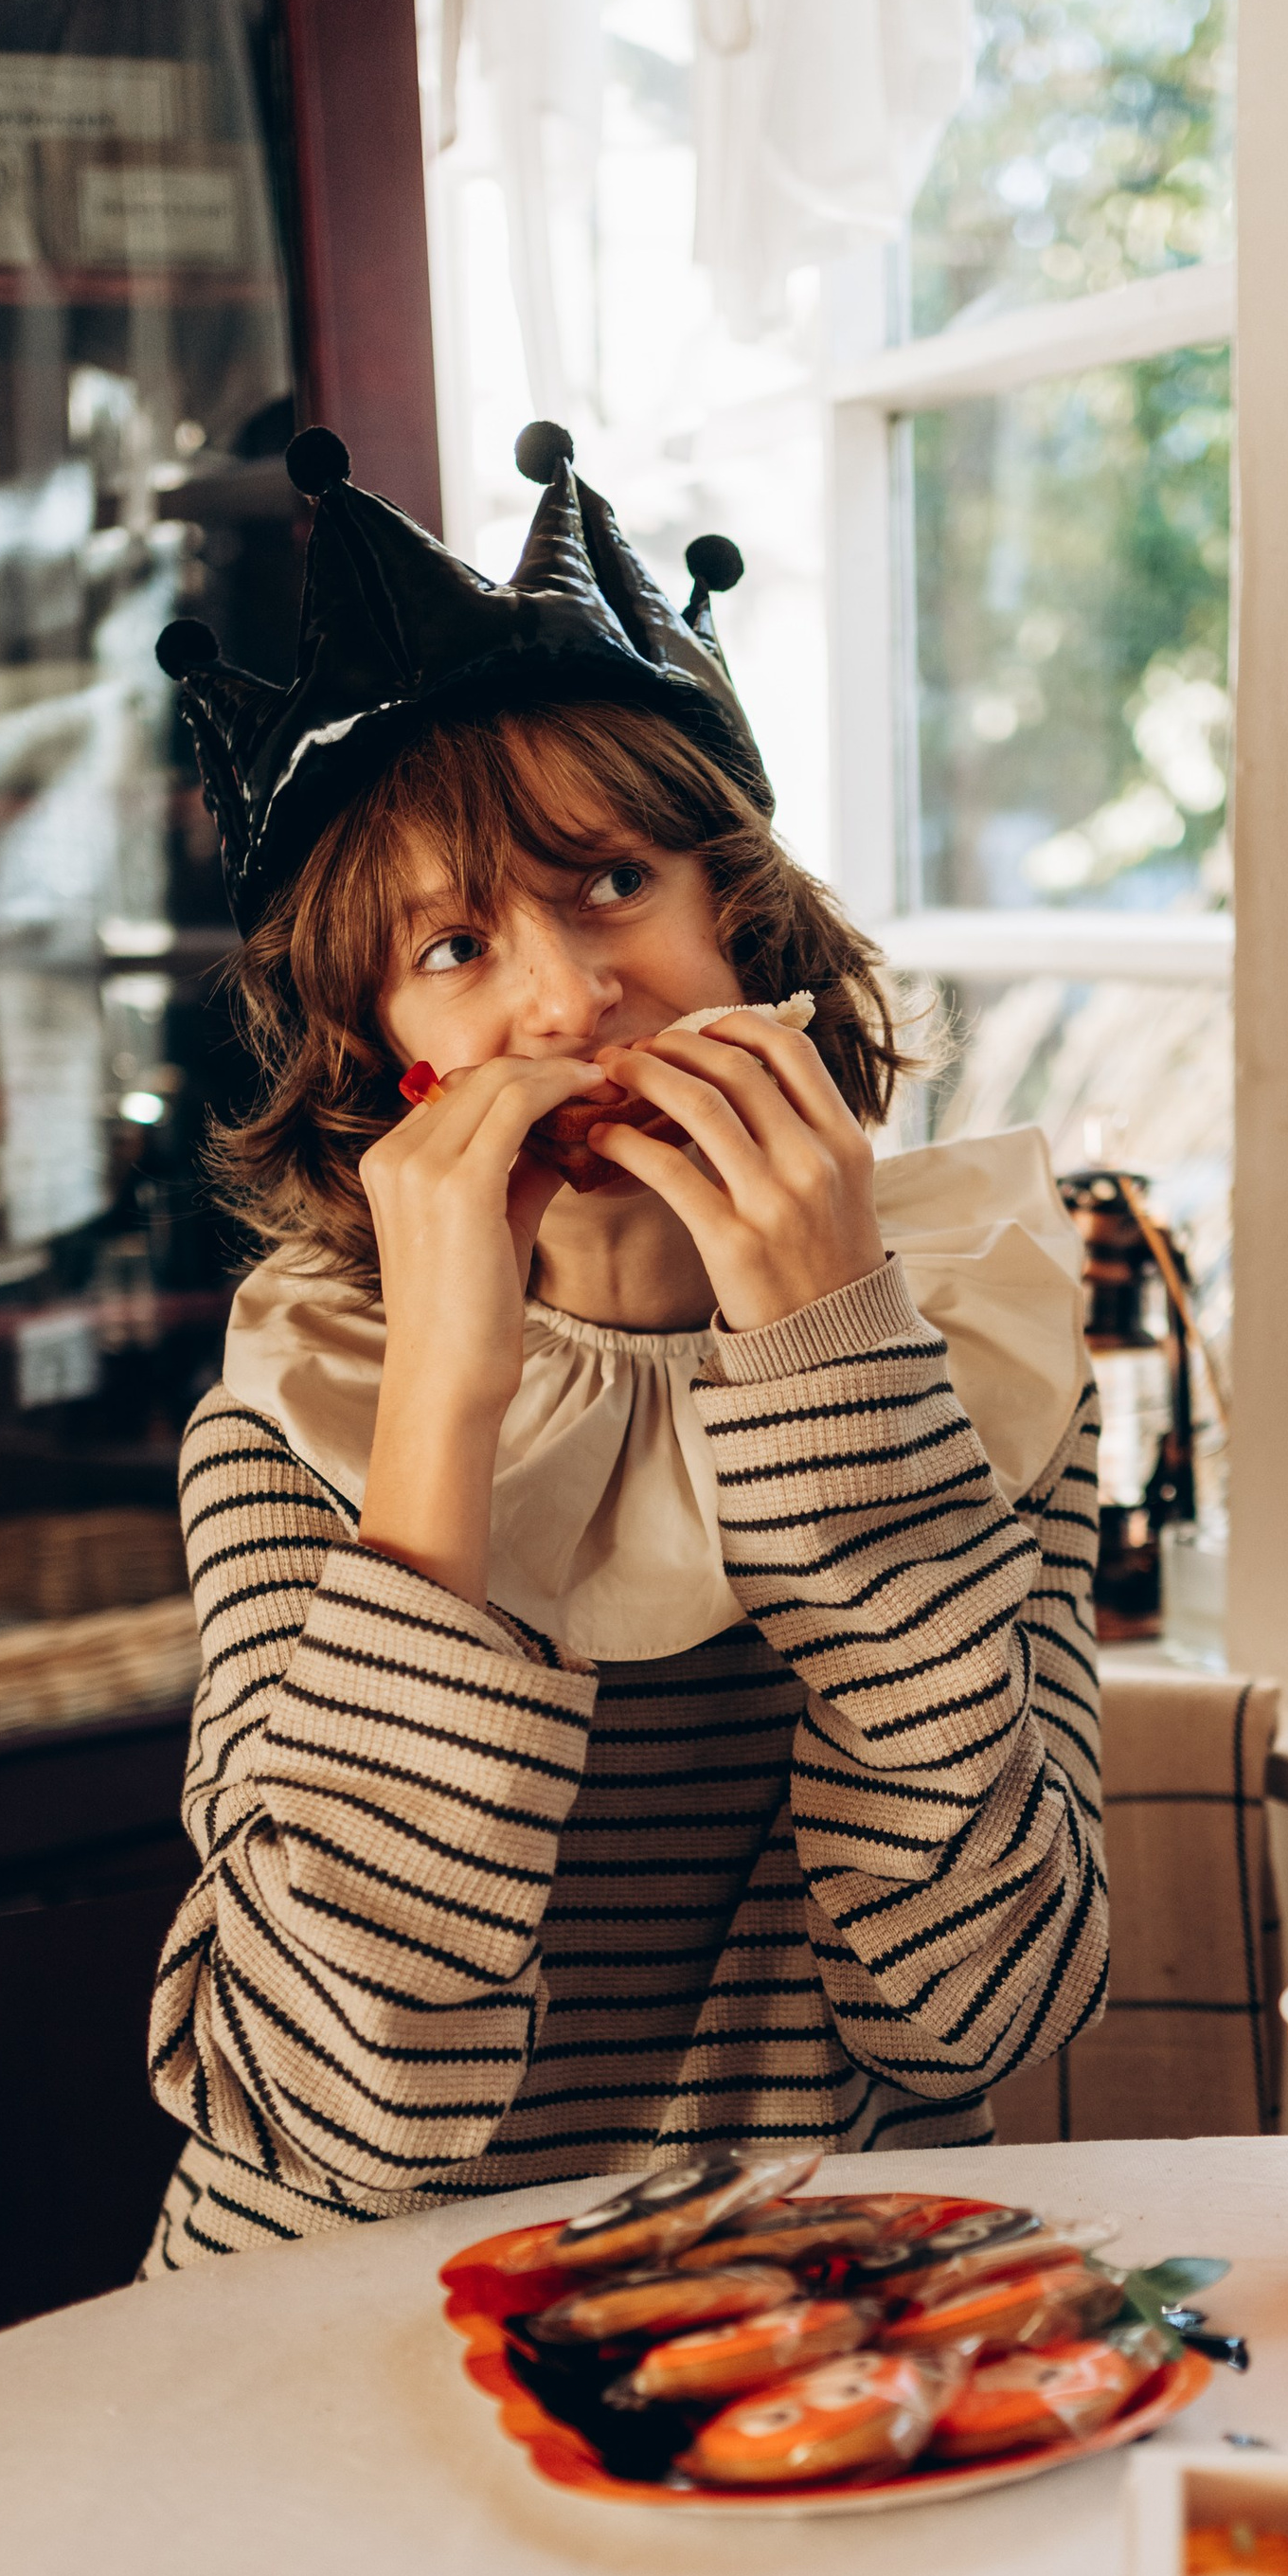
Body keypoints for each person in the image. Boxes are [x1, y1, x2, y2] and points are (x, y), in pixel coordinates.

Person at [141, 421, 1106, 2263]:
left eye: (607, 885)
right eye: (450, 946)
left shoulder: (984, 1353)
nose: (571, 995)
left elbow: (981, 2011)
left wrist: (838, 1363)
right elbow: (337, 2111)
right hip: (338, 2340)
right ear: (371, 1050)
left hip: (806, 2316)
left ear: (737, 921)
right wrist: (444, 1394)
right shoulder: (302, 1411)